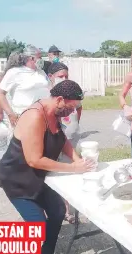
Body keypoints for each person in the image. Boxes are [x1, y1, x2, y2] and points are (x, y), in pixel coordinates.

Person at [0, 80, 94, 254]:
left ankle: (46, 252)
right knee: (37, 226)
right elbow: (35, 160)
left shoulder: (54, 114)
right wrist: (73, 168)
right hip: (17, 180)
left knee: (57, 211)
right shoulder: (35, 116)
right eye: (71, 107)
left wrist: (77, 160)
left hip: (38, 177)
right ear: (60, 99)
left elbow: (62, 139)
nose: (73, 111)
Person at [48, 62, 82, 223]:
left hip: (70, 137)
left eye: (66, 76)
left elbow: (79, 108)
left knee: (68, 175)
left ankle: (66, 210)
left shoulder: (72, 91)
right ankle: (54, 208)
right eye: (60, 76)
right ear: (50, 77)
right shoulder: (45, 99)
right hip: (53, 142)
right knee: (54, 176)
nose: (63, 79)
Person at [0, 45, 51, 127]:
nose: (42, 60)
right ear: (31, 58)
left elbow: (49, 88)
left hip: (43, 117)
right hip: (23, 118)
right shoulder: (14, 72)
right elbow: (0, 93)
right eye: (40, 57)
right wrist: (10, 114)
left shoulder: (41, 72)